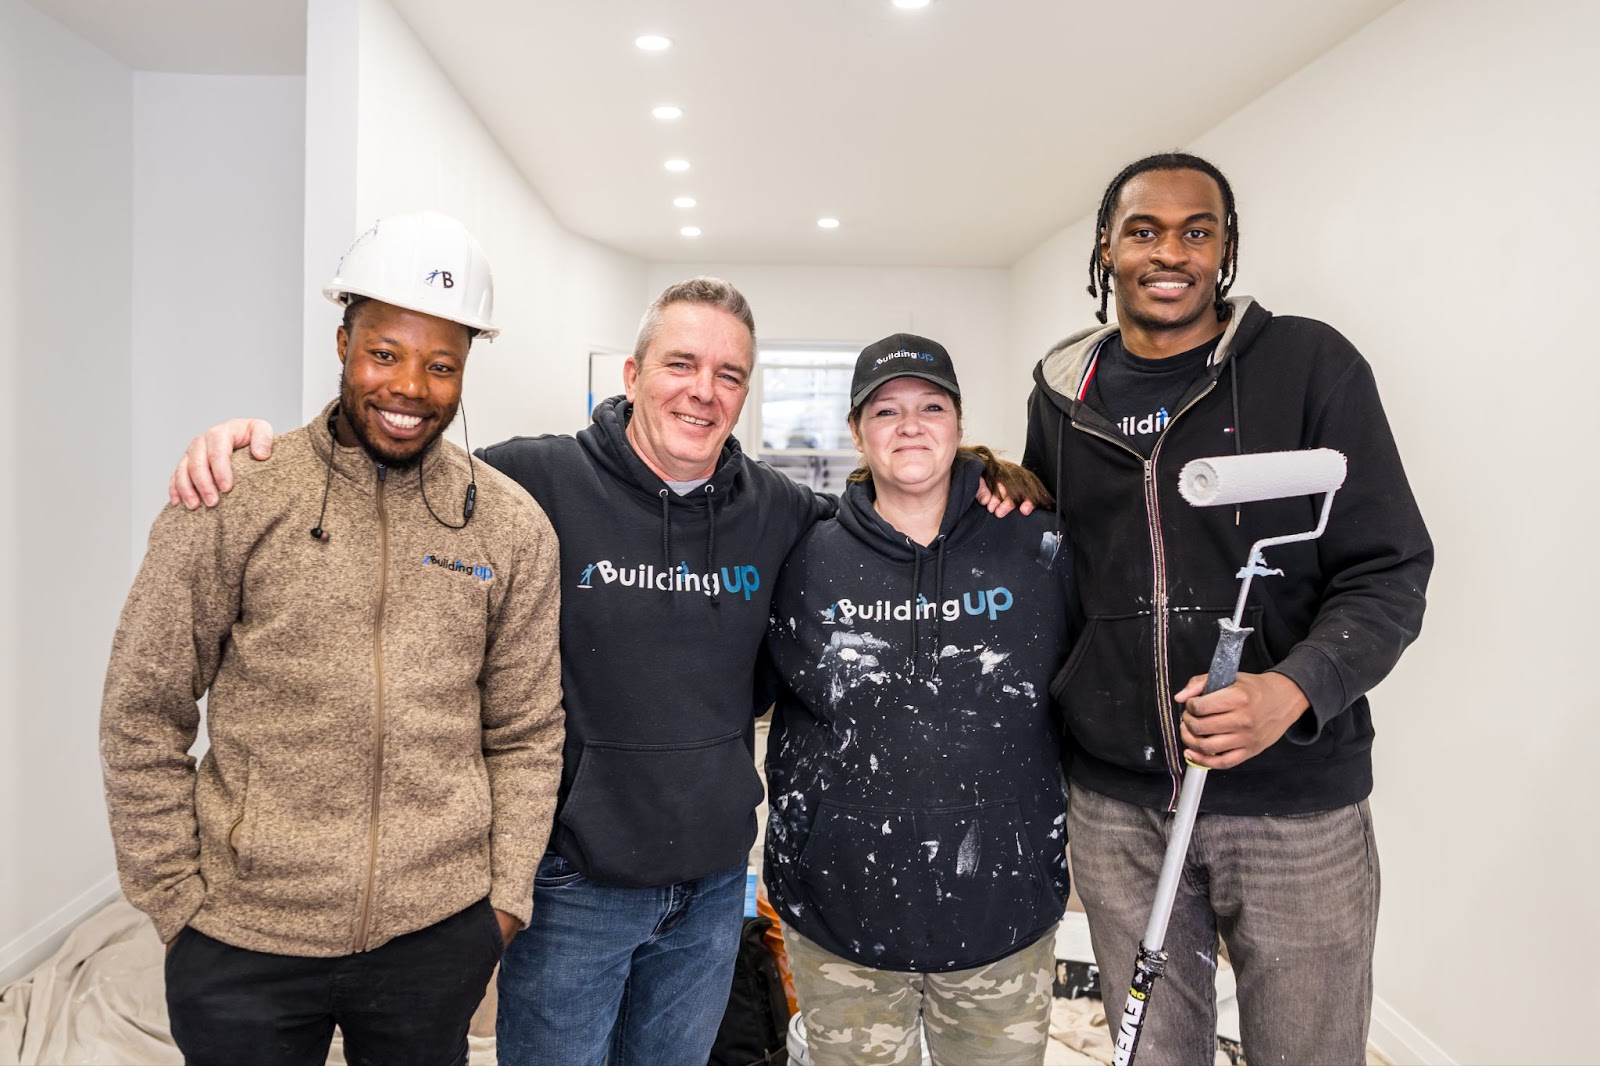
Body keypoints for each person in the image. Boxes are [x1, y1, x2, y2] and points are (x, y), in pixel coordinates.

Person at [168, 278, 1036, 1066]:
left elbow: (888, 509)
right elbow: (391, 455)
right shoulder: (529, 480)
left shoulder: (780, 513)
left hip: (707, 894)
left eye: (729, 375)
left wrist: (983, 477)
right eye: (681, 364)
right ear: (632, 372)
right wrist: (250, 449)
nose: (704, 391)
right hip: (571, 887)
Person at [100, 210, 566, 1066]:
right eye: (385, 353)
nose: (410, 388)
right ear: (344, 339)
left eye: (441, 366)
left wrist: (501, 901)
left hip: (436, 936)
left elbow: (528, 733)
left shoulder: (508, 526)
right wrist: (174, 898)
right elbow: (143, 706)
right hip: (242, 937)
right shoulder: (238, 493)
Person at [1023, 153, 1433, 1064]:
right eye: (1144, 230)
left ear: (1227, 250)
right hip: (1121, 806)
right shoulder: (1062, 395)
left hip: (1294, 810)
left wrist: (1289, 692)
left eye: (1196, 231)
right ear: (1106, 248)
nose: (1171, 252)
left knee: (1308, 1050)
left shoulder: (1309, 366)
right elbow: (1060, 565)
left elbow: (1391, 566)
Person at [763, 334, 1074, 1066]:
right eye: (886, 410)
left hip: (1003, 914)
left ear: (959, 425)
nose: (910, 425)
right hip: (842, 916)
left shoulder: (1038, 546)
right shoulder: (806, 558)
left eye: (930, 406)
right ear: (856, 432)